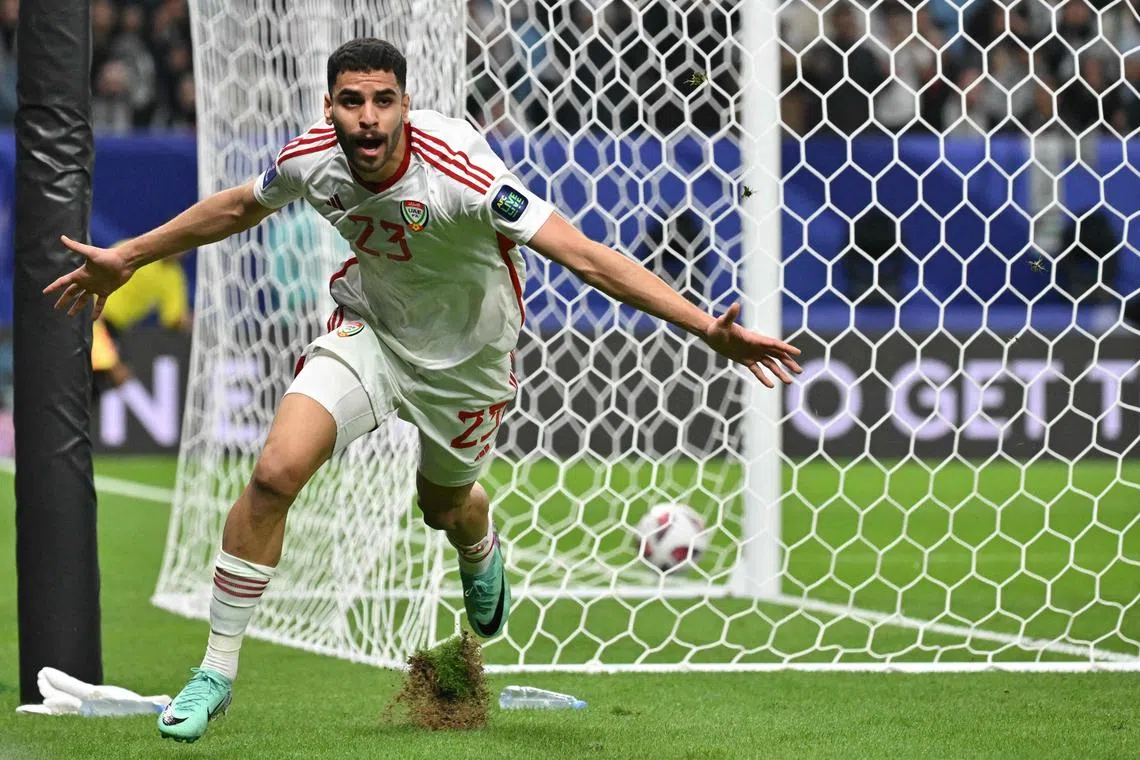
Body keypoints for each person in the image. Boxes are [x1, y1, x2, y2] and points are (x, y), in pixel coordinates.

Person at [44, 38, 802, 743]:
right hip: (370, 332)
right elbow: (241, 205)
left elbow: (588, 257)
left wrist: (708, 329)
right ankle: (215, 671)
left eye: (381, 100)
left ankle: (478, 543)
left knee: (442, 506)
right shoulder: (312, 158)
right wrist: (131, 255)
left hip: (467, 364)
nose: (366, 118)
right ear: (328, 107)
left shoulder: (460, 172)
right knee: (275, 473)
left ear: (404, 105)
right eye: (350, 101)